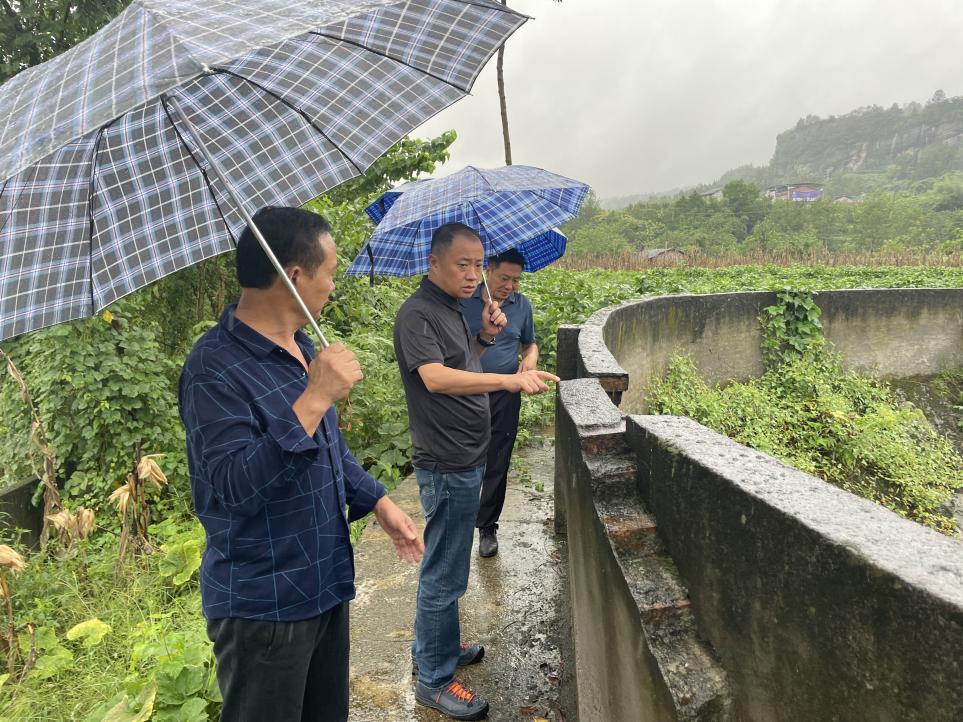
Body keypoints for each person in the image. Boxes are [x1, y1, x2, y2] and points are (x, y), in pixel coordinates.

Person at [178, 206, 423, 722]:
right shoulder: (213, 368)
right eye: (328, 272)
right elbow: (235, 488)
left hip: (323, 582)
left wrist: (378, 501)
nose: (333, 286)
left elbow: (328, 450)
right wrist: (314, 398)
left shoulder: (302, 346)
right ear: (293, 275)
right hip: (265, 606)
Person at [393, 222, 559, 720]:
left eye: (476, 264)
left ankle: (438, 646)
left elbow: (467, 365)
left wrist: (485, 336)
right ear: (434, 263)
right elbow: (437, 378)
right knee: (443, 573)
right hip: (446, 458)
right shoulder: (417, 314)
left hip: (467, 451)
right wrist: (509, 381)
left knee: (450, 563)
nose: (472, 274)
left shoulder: (451, 309)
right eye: (462, 264)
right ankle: (434, 678)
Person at [460, 248, 538, 558]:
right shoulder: (463, 302)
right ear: (487, 270)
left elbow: (530, 343)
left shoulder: (522, 305)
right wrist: (484, 331)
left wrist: (530, 358)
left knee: (498, 459)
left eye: (516, 280)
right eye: (504, 278)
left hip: (506, 394)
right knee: (466, 458)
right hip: (467, 393)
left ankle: (488, 526)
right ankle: (460, 519)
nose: (509, 286)